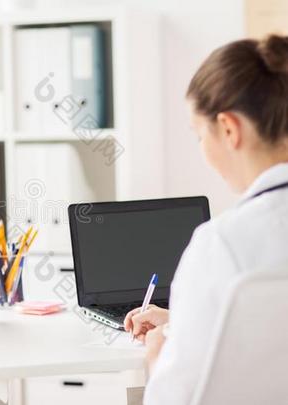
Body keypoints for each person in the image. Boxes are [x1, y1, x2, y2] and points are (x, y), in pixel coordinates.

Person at [123, 34, 288, 404]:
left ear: (229, 129)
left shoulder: (223, 243)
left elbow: (176, 397)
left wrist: (160, 356)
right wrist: (185, 325)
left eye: (200, 135)